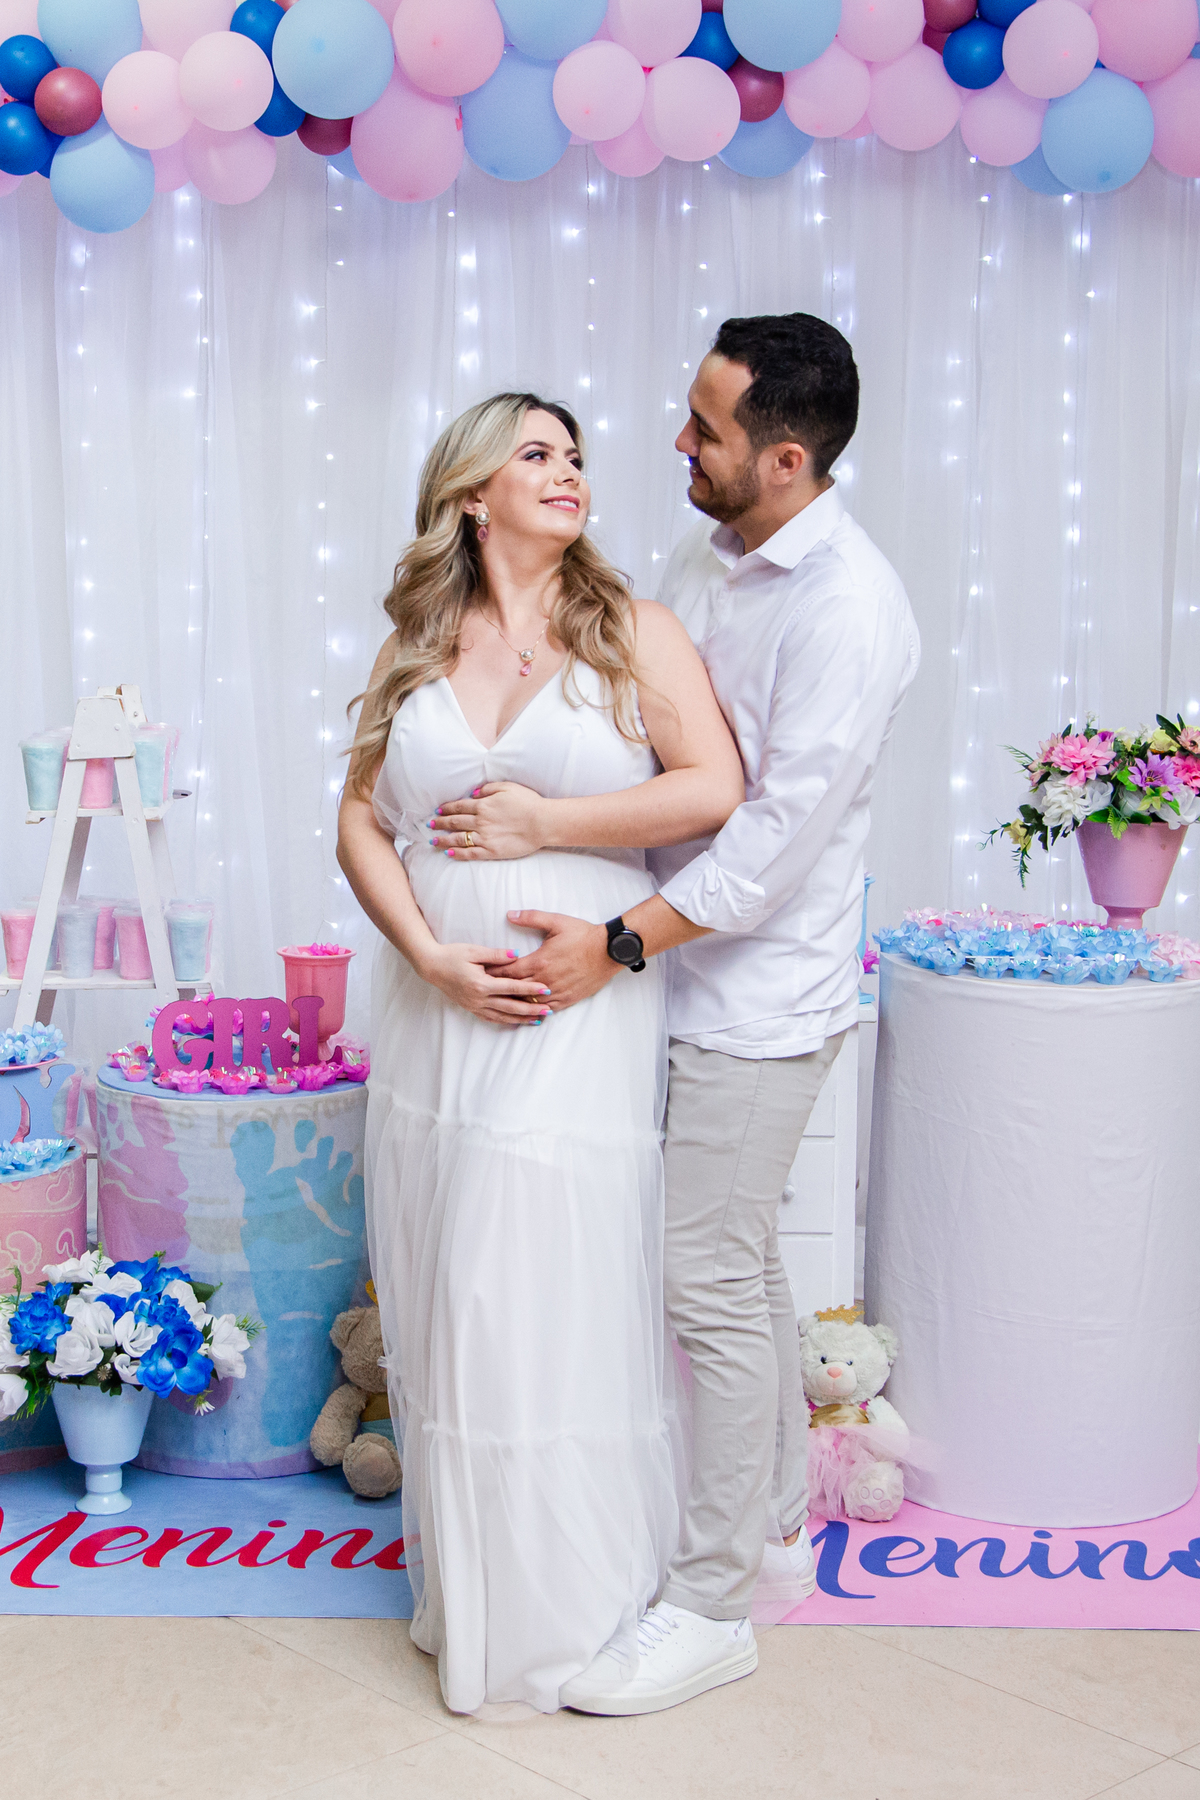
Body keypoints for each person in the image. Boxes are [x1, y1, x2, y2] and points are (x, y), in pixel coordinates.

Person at [433, 314, 921, 1714]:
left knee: (703, 1278)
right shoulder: (718, 558)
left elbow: (765, 845)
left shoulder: (849, 610)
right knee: (738, 1260)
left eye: (706, 430)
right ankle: (772, 1526)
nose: (676, 444)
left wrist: (613, 943)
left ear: (785, 459)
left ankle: (708, 1605)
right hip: (672, 978)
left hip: (755, 995)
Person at [335, 392, 745, 1716]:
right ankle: (477, 1598)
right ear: (473, 494)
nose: (569, 473)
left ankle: (571, 1610)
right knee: (456, 1292)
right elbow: (359, 821)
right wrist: (426, 955)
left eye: (575, 456)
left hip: (577, 1002)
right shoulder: (417, 638)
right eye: (536, 455)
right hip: (438, 1011)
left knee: (535, 1282)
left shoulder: (632, 627)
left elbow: (714, 789)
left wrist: (545, 824)